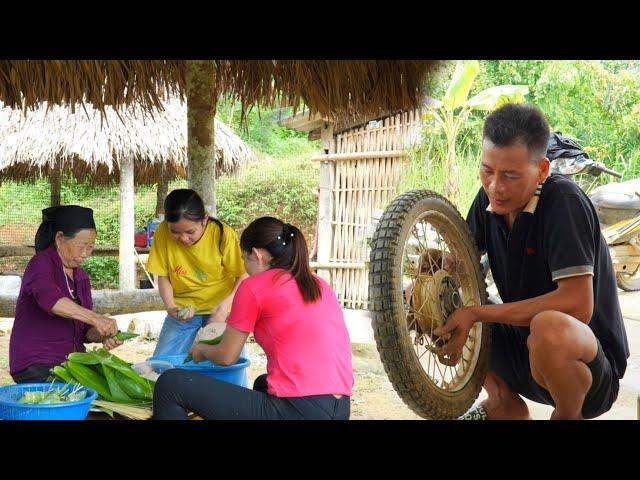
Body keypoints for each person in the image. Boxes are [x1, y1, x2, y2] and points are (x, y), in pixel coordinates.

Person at [434, 103, 629, 420]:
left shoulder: (564, 202)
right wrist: (439, 265)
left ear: (541, 170)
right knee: (434, 299)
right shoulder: (489, 200)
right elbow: (460, 262)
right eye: (487, 171)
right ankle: (502, 401)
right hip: (523, 355)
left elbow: (578, 305)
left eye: (510, 175)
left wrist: (477, 313)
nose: (495, 186)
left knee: (548, 325)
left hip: (590, 372)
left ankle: (567, 415)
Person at [152, 217, 354, 420]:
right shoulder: (318, 284)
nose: (245, 268)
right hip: (339, 408)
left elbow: (226, 356)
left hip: (297, 409)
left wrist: (201, 349)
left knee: (170, 385)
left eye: (244, 258)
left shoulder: (254, 286)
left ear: (256, 254)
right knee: (263, 384)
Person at [9, 205, 121, 384]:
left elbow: (85, 333)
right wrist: (96, 318)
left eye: (90, 247)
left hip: (72, 364)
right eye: (81, 246)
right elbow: (51, 300)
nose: (85, 254)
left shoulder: (81, 277)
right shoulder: (41, 263)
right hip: (37, 363)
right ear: (59, 238)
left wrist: (104, 334)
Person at [146, 189, 248, 357]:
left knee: (228, 361)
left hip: (220, 309)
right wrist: (171, 306)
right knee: (161, 363)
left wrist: (224, 307)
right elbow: (163, 276)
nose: (183, 239)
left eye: (190, 232)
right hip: (183, 309)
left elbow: (243, 275)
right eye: (175, 232)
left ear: (205, 220)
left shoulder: (223, 234)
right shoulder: (163, 232)